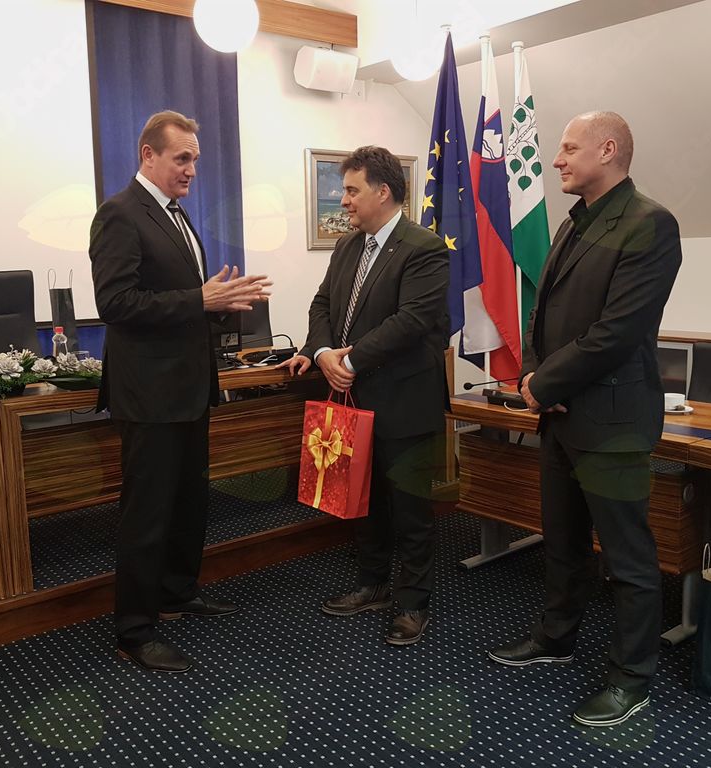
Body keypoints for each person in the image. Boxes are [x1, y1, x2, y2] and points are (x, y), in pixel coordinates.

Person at [487, 111, 682, 726]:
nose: (557, 160)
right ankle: (556, 636)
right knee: (563, 542)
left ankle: (631, 678)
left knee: (627, 559)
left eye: (569, 149)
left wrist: (545, 384)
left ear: (608, 149)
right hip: (561, 416)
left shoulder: (651, 224)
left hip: (613, 422)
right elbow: (542, 315)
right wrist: (536, 378)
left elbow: (618, 330)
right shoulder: (573, 221)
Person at [90, 110, 271, 672]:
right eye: (182, 158)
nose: (192, 168)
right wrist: (201, 299)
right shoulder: (120, 214)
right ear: (148, 155)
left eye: (195, 158)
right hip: (149, 394)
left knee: (189, 502)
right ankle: (134, 629)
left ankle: (175, 592)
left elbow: (181, 301)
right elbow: (115, 304)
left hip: (189, 388)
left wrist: (220, 303)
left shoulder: (176, 214)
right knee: (147, 514)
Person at [281, 146, 449, 646]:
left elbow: (411, 321)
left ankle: (413, 603)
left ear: (383, 191)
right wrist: (321, 352)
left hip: (405, 400)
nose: (345, 200)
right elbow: (322, 304)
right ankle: (373, 584)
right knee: (365, 500)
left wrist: (348, 363)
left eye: (352, 190)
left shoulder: (424, 248)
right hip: (355, 401)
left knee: (410, 509)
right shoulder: (348, 247)